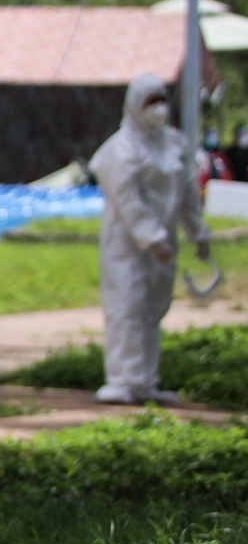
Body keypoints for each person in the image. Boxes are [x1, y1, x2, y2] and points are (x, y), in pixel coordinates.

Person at [90, 73, 209, 406]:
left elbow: (187, 192)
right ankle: (122, 378)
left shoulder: (173, 144)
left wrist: (198, 233)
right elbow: (127, 199)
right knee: (127, 307)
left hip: (164, 244)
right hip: (126, 245)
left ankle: (145, 380)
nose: (158, 109)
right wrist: (151, 237)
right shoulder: (119, 149)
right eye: (150, 102)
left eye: (161, 101)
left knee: (153, 309)